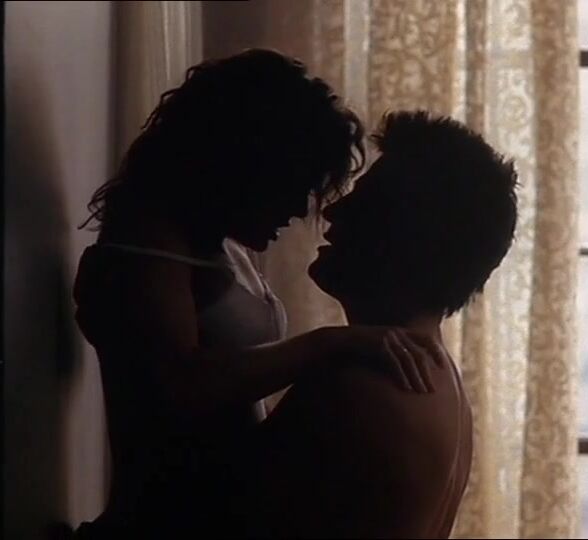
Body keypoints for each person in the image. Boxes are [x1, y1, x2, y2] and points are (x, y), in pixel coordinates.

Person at [72, 50, 443, 538]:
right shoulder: (145, 247)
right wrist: (329, 343)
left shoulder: (220, 243)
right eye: (294, 185)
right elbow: (178, 387)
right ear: (247, 166)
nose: (300, 210)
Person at [223, 111, 518, 538]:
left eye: (364, 203)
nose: (332, 211)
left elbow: (212, 513)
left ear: (406, 239)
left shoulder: (352, 386)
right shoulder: (440, 384)